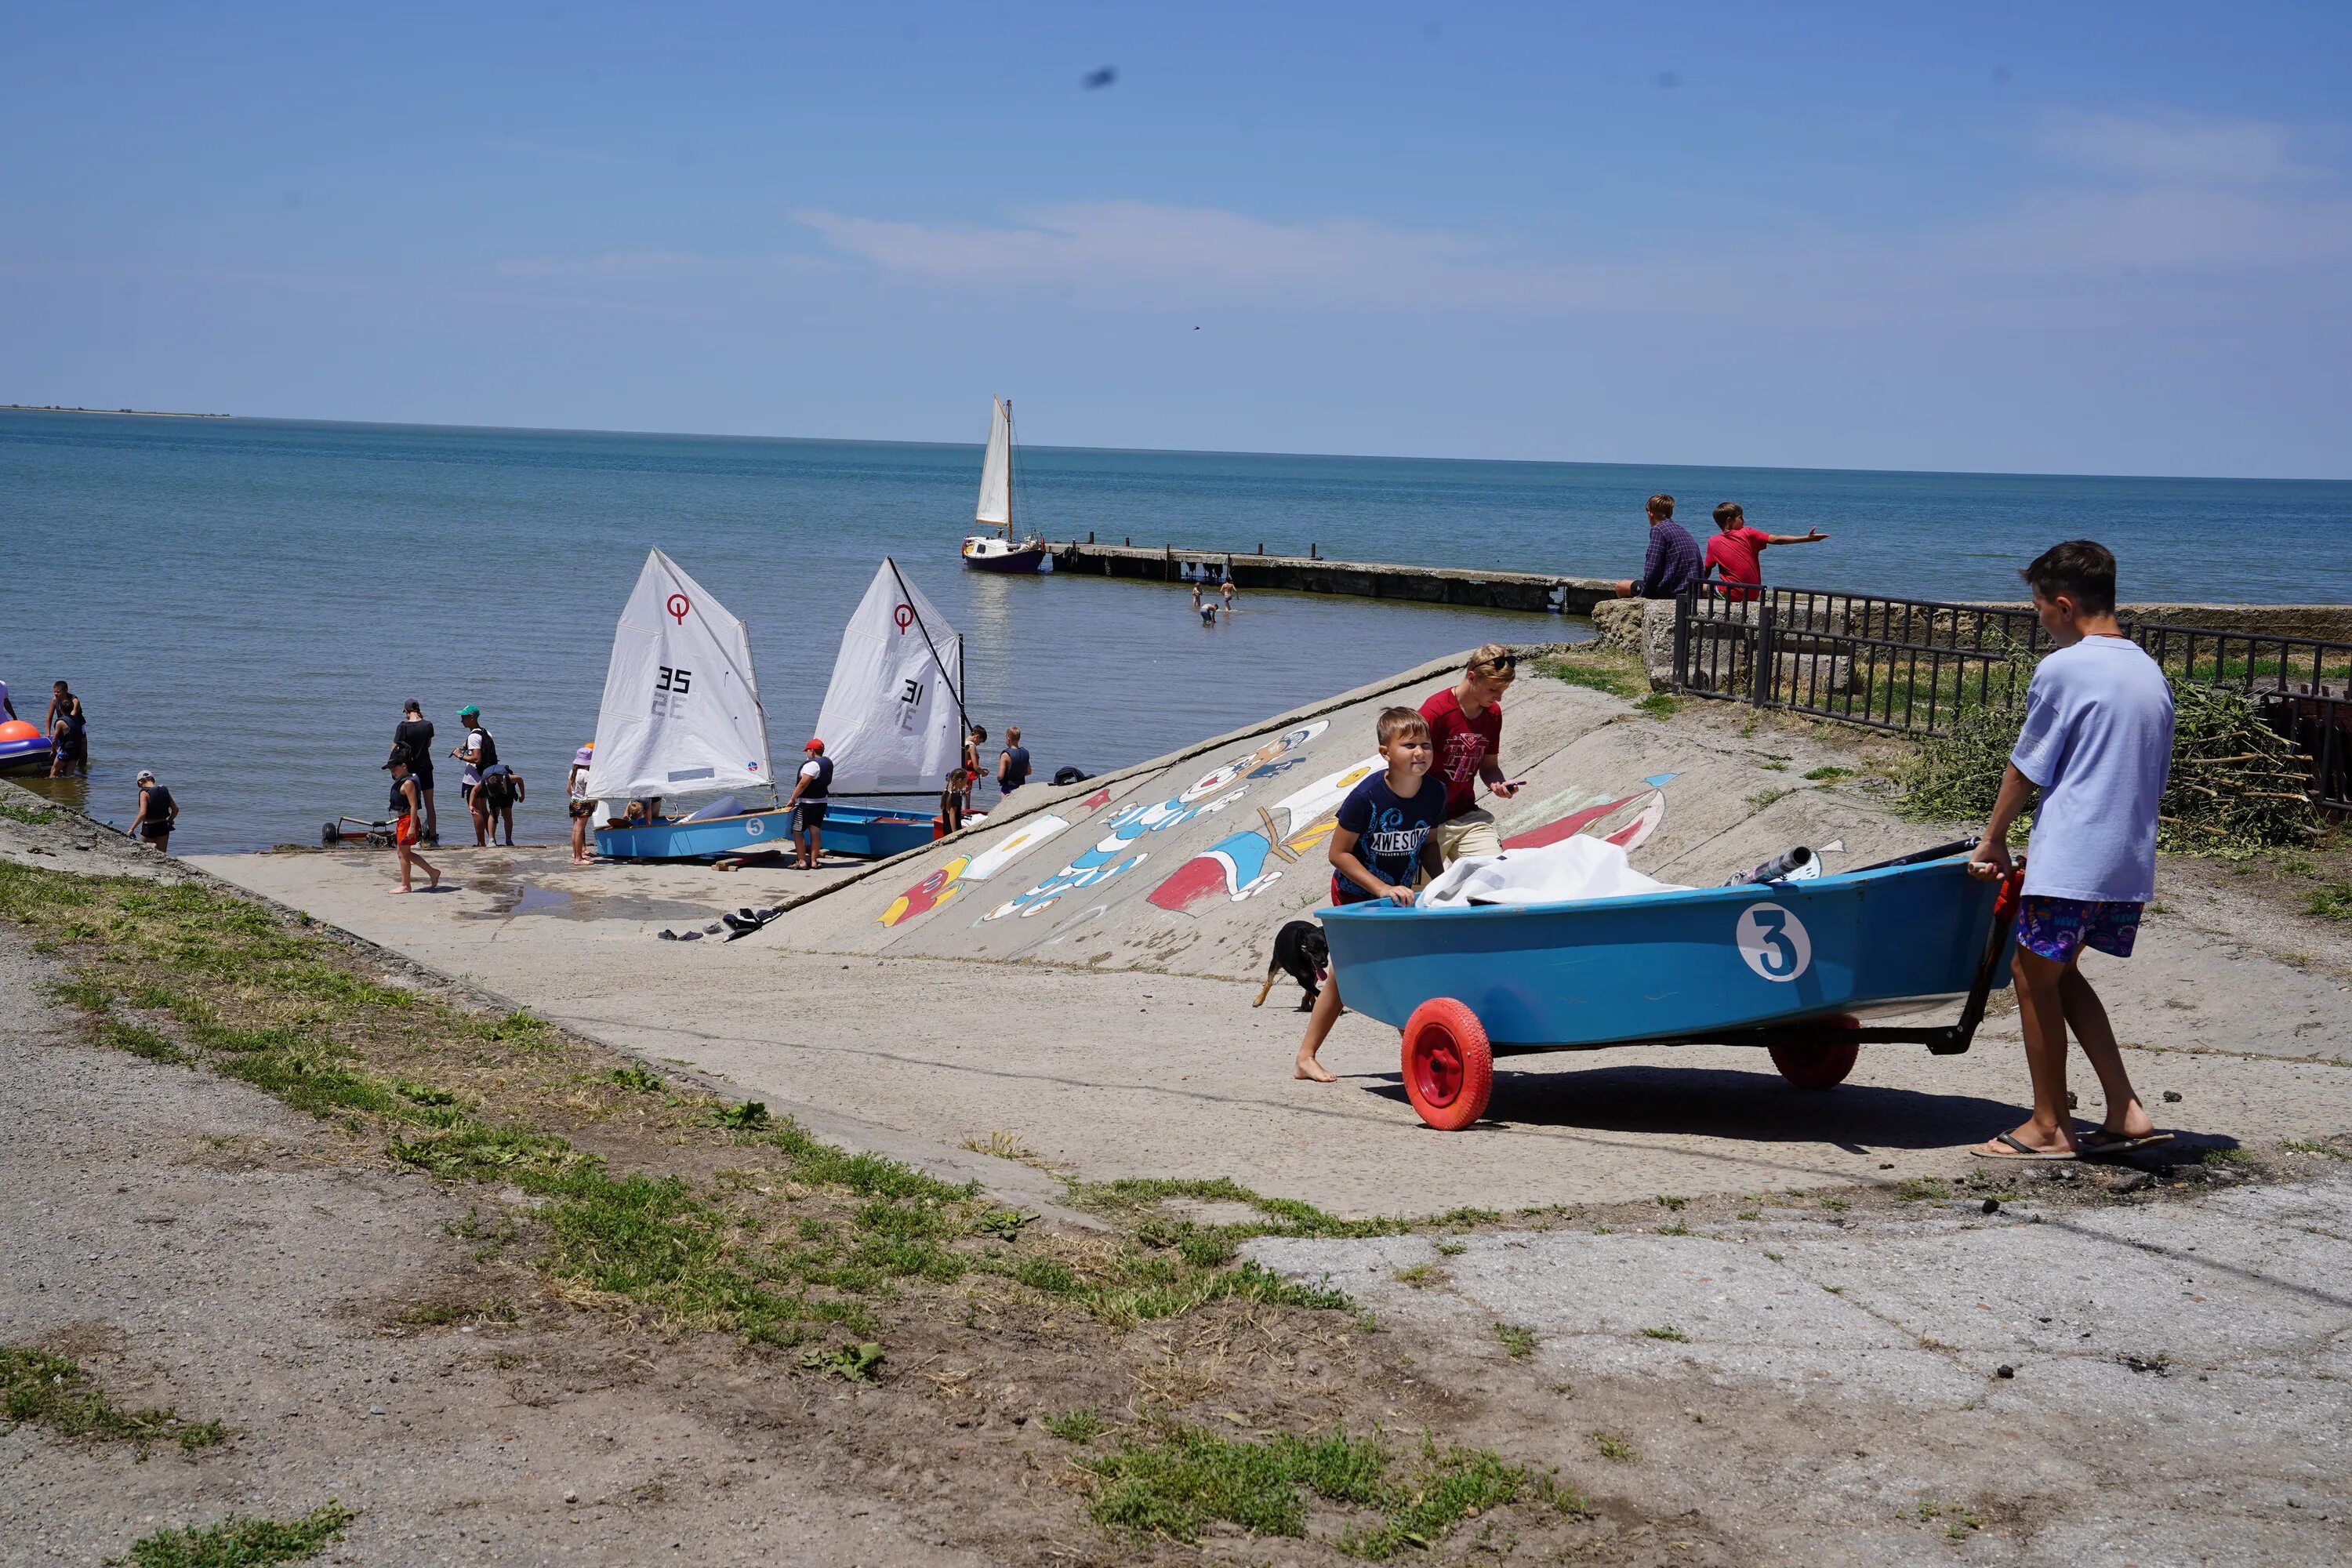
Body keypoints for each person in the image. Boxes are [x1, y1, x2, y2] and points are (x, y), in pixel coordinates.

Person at [1967, 540, 2173, 1162]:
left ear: (2063, 605)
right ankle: (2126, 1110)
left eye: (2038, 609)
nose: (2039, 621)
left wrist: (1994, 837)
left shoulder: (2066, 668)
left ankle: (2049, 1126)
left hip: (2074, 854)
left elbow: (2027, 766)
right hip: (2126, 859)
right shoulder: (2149, 670)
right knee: (2060, 972)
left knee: (2030, 976)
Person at [1295, 707, 1448, 1083]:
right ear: (1385, 753)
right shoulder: (1366, 797)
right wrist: (1379, 887)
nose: (1420, 752)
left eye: (1425, 745)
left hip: (1400, 896)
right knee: (1344, 975)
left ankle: (1418, 1054)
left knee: (1400, 969)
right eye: (1409, 745)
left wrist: (1441, 886)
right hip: (1355, 896)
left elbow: (1428, 844)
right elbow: (1338, 854)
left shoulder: (1435, 792)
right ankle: (1306, 1057)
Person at [1417, 645, 1524, 864]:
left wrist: (1499, 784)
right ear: (1472, 677)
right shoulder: (1435, 711)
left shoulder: (1493, 713)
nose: (1499, 698)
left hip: (1465, 815)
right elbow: (1406, 767)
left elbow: (1489, 767)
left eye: (1503, 692)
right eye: (1493, 690)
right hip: (1425, 821)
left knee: (1495, 871)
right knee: (1418, 894)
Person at [1700, 503, 1828, 603]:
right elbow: (1776, 539)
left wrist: (1701, 582)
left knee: (1699, 586)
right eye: (1741, 518)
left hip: (1733, 594)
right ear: (1729, 521)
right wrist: (1806, 539)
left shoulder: (1713, 541)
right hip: (1754, 593)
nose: (1744, 520)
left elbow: (1707, 569)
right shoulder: (1747, 533)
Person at [1613, 493, 1704, 601]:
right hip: (1691, 591)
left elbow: (1652, 567)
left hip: (1670, 592)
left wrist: (1644, 596)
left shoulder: (1658, 530)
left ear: (1650, 514)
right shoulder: (1681, 530)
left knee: (1621, 586)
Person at [452, 705, 515, 848]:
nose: (461, 720)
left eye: (464, 717)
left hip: (473, 779)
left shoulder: (474, 736)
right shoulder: (486, 732)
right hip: (486, 777)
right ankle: (491, 840)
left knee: (475, 810)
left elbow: (476, 758)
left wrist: (460, 755)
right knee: (484, 809)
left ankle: (481, 843)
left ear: (472, 718)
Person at [385, 750, 441, 894]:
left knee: (404, 854)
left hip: (409, 820)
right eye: (391, 770)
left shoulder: (408, 783)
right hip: (403, 820)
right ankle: (433, 872)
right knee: (403, 853)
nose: (393, 772)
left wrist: (411, 827)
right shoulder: (402, 780)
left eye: (394, 768)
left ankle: (406, 885)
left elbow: (414, 806)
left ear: (404, 766)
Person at [393, 699, 438, 843]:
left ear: (406, 711)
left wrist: (393, 769)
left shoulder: (403, 727)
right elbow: (428, 744)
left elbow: (395, 748)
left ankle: (411, 835)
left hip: (409, 771)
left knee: (410, 805)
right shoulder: (428, 725)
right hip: (426, 768)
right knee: (429, 804)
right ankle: (433, 837)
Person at [787, 737, 832, 869]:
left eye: (807, 751)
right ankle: (813, 861)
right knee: (815, 831)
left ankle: (801, 861)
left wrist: (792, 799)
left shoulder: (812, 765)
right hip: (822, 803)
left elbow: (803, 784)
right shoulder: (828, 763)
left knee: (797, 831)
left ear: (812, 751)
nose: (807, 753)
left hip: (807, 804)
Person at [127, 770, 177, 851]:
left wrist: (132, 829)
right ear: (153, 779)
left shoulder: (144, 792)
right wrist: (170, 820)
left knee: (141, 852)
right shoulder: (164, 790)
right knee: (162, 854)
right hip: (163, 826)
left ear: (140, 782)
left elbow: (143, 813)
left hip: (149, 828)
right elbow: (175, 809)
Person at [46, 682, 88, 778]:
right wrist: (48, 734)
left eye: (58, 692)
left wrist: (66, 722)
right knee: (66, 749)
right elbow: (49, 717)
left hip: (77, 726)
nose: (56, 694)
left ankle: (82, 772)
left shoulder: (74, 700)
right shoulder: (55, 700)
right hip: (63, 727)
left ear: (65, 691)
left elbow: (73, 714)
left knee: (83, 753)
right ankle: (66, 769)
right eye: (54, 692)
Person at [567, 742, 597, 866]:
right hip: (584, 803)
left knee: (575, 830)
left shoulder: (572, 772)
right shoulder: (587, 774)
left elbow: (568, 789)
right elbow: (592, 791)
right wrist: (591, 803)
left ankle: (576, 854)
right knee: (579, 830)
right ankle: (578, 859)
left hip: (574, 801)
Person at [998, 726, 1032, 797]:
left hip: (1008, 789)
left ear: (1008, 738)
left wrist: (998, 779)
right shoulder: (1025, 753)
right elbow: (1029, 772)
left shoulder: (1005, 755)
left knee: (1006, 807)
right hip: (1020, 788)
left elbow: (1000, 776)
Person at [940, 768, 968, 835]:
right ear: (960, 781)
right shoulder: (956, 796)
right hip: (952, 830)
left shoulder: (946, 792)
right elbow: (952, 815)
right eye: (965, 781)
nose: (966, 784)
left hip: (946, 829)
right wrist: (955, 833)